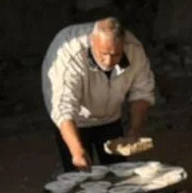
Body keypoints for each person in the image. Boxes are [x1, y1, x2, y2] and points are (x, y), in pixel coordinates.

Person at [42, 18, 155, 171]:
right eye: (103, 53)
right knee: (78, 176)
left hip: (111, 115)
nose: (109, 61)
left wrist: (134, 130)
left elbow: (142, 91)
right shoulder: (69, 55)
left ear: (123, 45)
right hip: (76, 120)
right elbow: (63, 107)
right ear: (92, 42)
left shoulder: (133, 49)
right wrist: (76, 150)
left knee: (119, 172)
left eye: (116, 55)